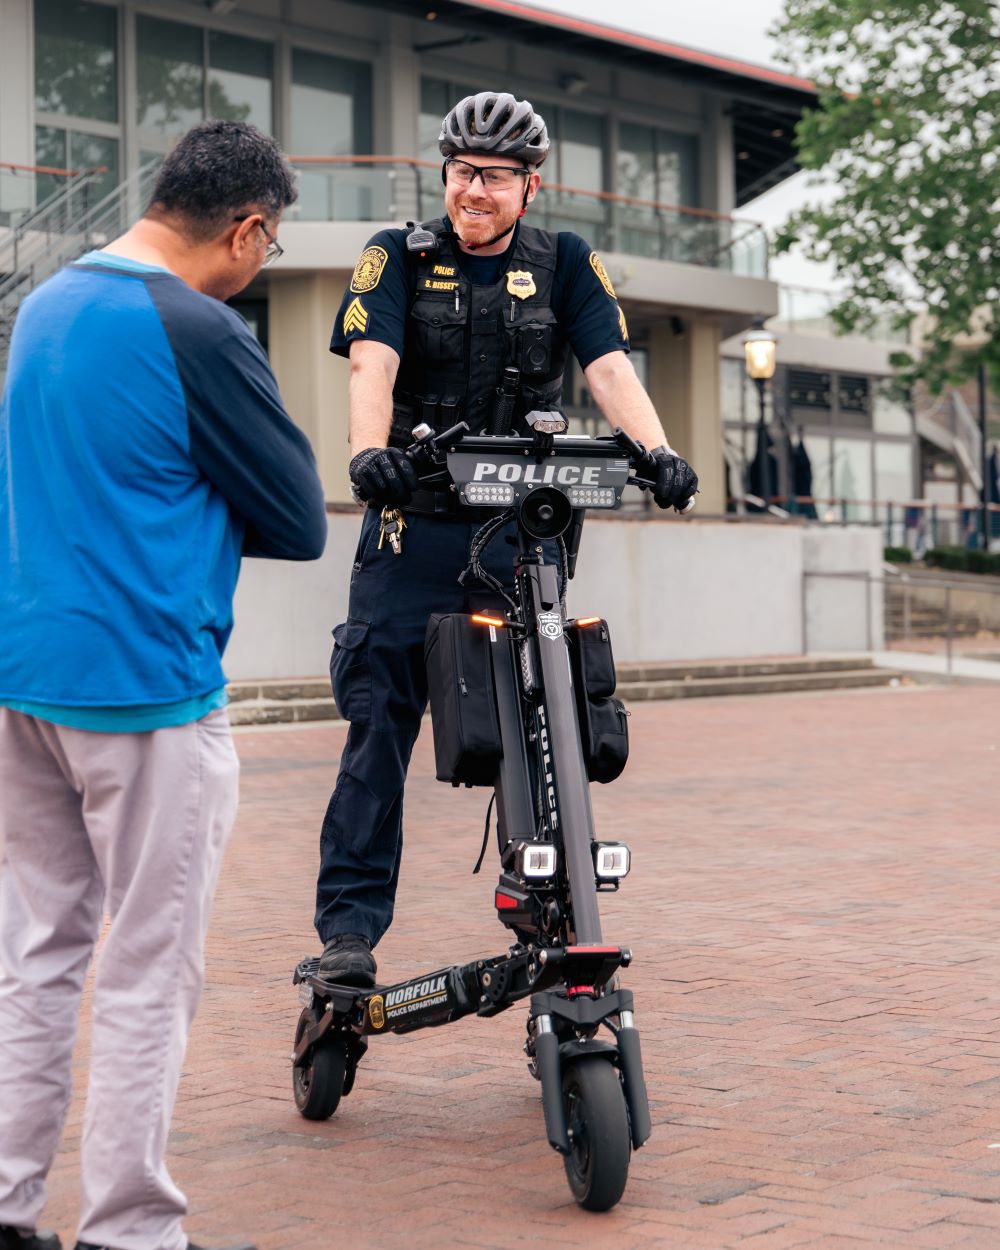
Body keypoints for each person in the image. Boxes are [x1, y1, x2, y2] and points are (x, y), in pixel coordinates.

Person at [0, 120, 327, 1250]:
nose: (261, 260)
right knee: (147, 969)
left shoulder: (43, 304)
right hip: (146, 688)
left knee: (37, 958)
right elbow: (295, 516)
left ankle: (5, 1207)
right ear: (244, 228)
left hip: (25, 675)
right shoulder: (197, 325)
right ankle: (128, 1230)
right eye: (269, 244)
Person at [314, 91, 697, 987]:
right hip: (415, 528)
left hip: (522, 533)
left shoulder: (566, 262)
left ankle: (545, 907)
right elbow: (374, 359)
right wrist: (369, 451)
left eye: (492, 176)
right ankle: (349, 934)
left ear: (531, 184)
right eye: (460, 173)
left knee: (547, 720)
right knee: (378, 728)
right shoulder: (395, 257)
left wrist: (658, 448)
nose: (472, 191)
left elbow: (607, 365)